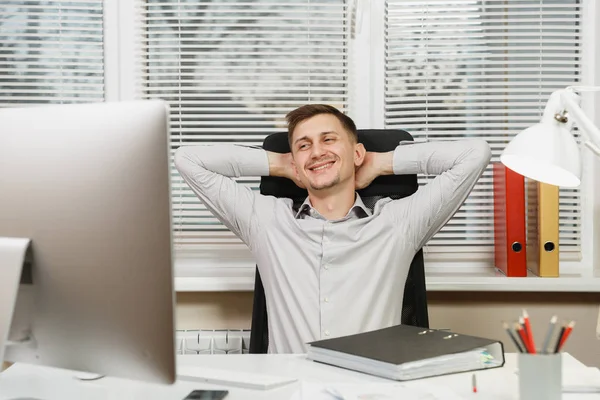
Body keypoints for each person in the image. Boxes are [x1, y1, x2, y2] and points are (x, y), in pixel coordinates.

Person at [174, 104, 491, 354]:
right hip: (292, 391)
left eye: (329, 140)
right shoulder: (266, 222)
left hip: (368, 390)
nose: (316, 151)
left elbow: (474, 155)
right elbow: (188, 159)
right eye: (304, 145)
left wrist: (382, 163)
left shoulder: (398, 223)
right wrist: (281, 164)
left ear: (356, 154)